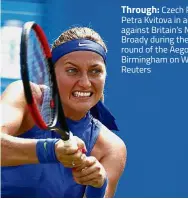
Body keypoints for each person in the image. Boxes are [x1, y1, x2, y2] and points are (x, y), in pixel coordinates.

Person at [0, 26, 127, 198]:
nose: (85, 83)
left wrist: (98, 186)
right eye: (72, 70)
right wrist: (50, 150)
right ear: (51, 73)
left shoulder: (111, 148)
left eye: (95, 71)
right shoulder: (25, 96)